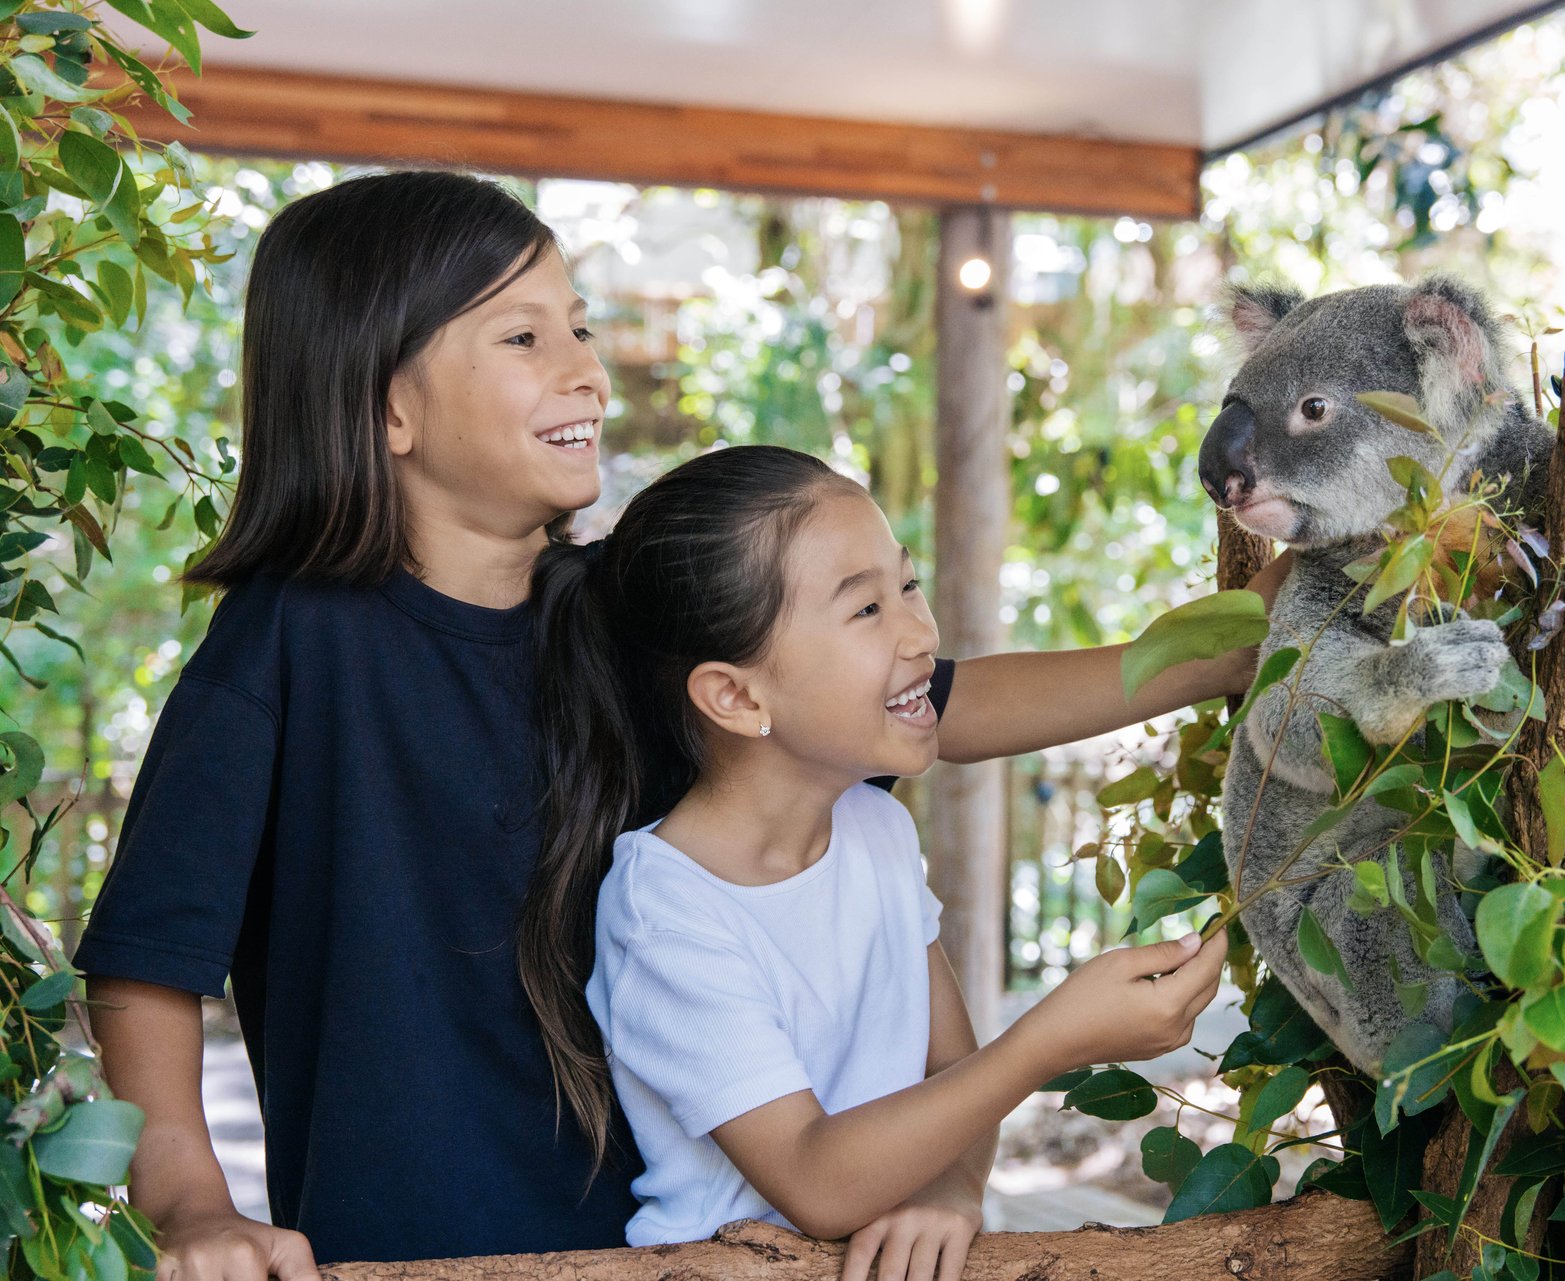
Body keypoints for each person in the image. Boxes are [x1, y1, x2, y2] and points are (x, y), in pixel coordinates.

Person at [74, 168, 1285, 1275]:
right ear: (389, 409)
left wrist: (1206, 660)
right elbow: (147, 962)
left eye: (581, 329)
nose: (587, 371)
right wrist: (192, 1200)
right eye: (523, 335)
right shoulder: (286, 642)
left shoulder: (604, 616)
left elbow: (928, 702)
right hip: (400, 1252)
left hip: (673, 1244)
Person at [525, 445, 1231, 1281]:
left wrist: (952, 1190)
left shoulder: (874, 829)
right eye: (865, 610)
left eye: (907, 585)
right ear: (737, 697)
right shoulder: (664, 908)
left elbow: (949, 1072)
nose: (920, 634)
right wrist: (1047, 1043)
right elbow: (816, 1177)